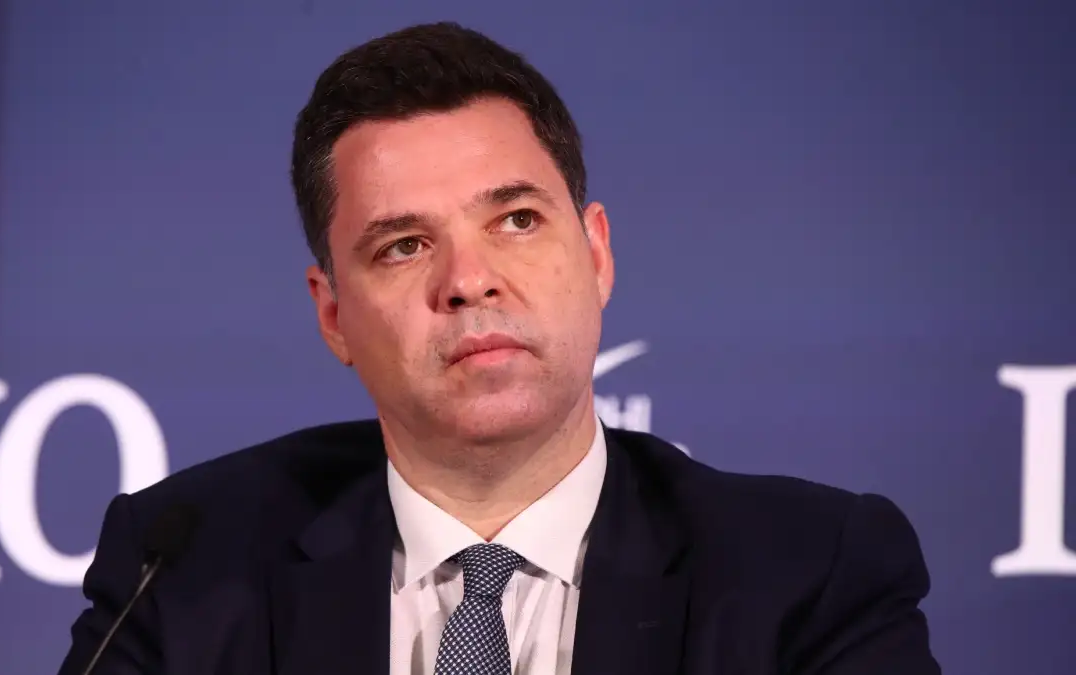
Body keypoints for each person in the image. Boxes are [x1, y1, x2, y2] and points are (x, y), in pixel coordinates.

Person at [57, 21, 940, 675]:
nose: (469, 279)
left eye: (516, 220)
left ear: (596, 254)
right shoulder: (180, 570)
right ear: (333, 316)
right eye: (404, 245)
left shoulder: (810, 575)